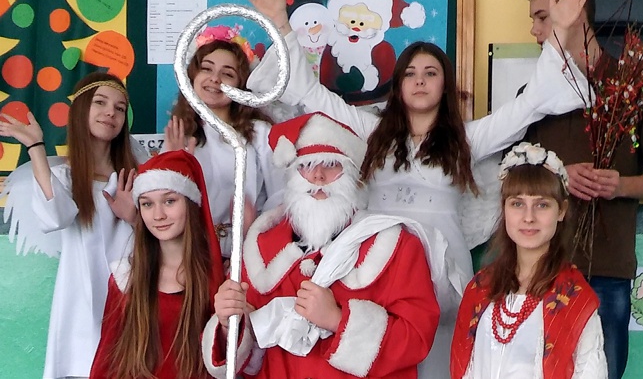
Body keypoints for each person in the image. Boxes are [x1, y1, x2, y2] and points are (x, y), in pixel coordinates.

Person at [243, 0, 593, 378]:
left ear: (445, 84)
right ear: (398, 85)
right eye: (410, 73)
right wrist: (282, 24)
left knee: (440, 359)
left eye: (430, 72)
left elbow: (528, 105)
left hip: (443, 266)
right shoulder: (371, 132)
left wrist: (561, 31)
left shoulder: (467, 139)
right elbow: (312, 96)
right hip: (380, 266)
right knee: (385, 353)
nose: (420, 80)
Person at [521, 0, 643, 379]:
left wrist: (620, 185)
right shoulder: (532, 95)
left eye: (542, 17)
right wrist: (557, 176)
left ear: (574, 13)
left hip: (608, 268)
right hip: (542, 267)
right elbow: (511, 181)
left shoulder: (633, 85)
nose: (535, 30)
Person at [204, 112, 441, 378]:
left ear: (351, 175)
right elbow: (246, 357)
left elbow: (416, 338)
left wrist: (338, 320)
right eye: (307, 165)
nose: (318, 176)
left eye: (330, 164)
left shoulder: (396, 246)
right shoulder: (260, 250)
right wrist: (229, 325)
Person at [0, 72, 139, 378]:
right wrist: (36, 146)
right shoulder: (66, 177)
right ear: (81, 110)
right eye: (100, 102)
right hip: (82, 302)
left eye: (119, 108)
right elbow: (55, 216)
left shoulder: (134, 177)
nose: (110, 113)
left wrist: (132, 216)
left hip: (132, 299)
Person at [451, 142, 607, 378]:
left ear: (561, 211)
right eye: (517, 204)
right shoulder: (480, 288)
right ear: (504, 209)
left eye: (542, 205)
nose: (528, 217)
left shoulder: (574, 298)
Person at [90, 149, 224, 378]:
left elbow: (229, 357)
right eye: (147, 204)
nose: (158, 215)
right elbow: (107, 359)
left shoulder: (219, 276)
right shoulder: (126, 278)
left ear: (191, 203)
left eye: (169, 201)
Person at [163, 24, 283, 261]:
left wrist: (253, 238)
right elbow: (165, 203)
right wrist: (175, 164)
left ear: (241, 85)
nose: (215, 79)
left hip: (249, 255)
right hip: (194, 255)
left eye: (227, 73)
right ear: (192, 76)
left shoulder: (260, 134)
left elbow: (280, 195)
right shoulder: (179, 133)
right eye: (206, 68)